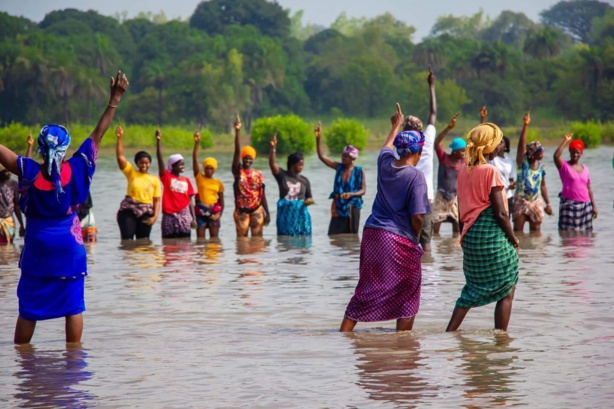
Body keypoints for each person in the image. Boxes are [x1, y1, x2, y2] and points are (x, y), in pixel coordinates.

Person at [0, 70, 129, 343]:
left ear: (41, 151)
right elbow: (99, 133)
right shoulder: (79, 166)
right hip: (69, 246)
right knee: (73, 305)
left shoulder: (29, 171)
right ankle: (73, 360)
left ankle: (23, 363)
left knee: (29, 309)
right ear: (66, 147)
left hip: (38, 246)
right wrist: (115, 98)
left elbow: (5, 154)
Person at [340, 103, 429, 332]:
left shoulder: (385, 163)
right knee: (409, 291)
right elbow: (418, 216)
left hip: (371, 235)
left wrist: (395, 126)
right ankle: (403, 342)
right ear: (417, 152)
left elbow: (386, 146)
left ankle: (345, 333)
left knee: (366, 289)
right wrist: (415, 240)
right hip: (398, 238)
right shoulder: (416, 176)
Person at [446, 122, 519, 332]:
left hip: (470, 238)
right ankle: (501, 339)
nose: (499, 148)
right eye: (497, 144)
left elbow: (461, 210)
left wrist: (463, 237)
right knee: (507, 288)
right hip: (492, 237)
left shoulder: (463, 170)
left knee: (471, 290)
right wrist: (514, 239)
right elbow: (501, 213)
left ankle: (449, 332)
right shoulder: (491, 171)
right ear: (489, 146)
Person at [403, 67, 437, 251]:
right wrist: (431, 86)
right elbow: (433, 114)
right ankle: (429, 274)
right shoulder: (428, 139)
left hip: (405, 199)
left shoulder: (398, 148)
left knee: (408, 242)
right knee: (426, 243)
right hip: (426, 198)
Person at [314, 122, 366, 235]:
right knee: (333, 235)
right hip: (338, 205)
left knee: (351, 236)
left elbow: (363, 190)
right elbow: (321, 157)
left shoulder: (359, 171)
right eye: (343, 156)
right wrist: (318, 139)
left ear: (353, 158)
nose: (343, 158)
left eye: (346, 157)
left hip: (353, 206)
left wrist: (351, 194)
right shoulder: (339, 167)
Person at [115, 126, 161, 240]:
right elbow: (120, 156)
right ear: (137, 163)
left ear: (150, 163)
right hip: (129, 210)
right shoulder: (131, 172)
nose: (144, 165)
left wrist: (155, 216)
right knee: (127, 241)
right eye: (141, 163)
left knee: (144, 241)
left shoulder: (154, 179)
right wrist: (120, 138)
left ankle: (141, 259)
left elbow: (156, 200)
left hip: (146, 211)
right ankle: (130, 258)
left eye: (147, 163)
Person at [513, 112, 553, 232]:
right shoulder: (522, 163)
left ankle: (534, 252)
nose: (542, 154)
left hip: (536, 201)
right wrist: (526, 125)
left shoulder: (541, 167)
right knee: (518, 232)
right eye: (540, 151)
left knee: (536, 234)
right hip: (521, 201)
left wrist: (548, 204)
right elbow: (521, 145)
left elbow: (543, 186)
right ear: (532, 154)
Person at [231, 115, 270, 237]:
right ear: (242, 158)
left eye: (250, 158)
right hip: (242, 210)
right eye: (245, 157)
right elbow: (237, 151)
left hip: (257, 209)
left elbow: (261, 194)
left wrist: (267, 212)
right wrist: (238, 132)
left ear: (253, 159)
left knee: (257, 241)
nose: (248, 160)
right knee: (242, 241)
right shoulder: (238, 170)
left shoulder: (258, 174)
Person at [155, 129, 196, 239]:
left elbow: (190, 201)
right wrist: (158, 141)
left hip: (184, 214)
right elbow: (159, 158)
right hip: (169, 215)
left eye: (183, 164)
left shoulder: (186, 180)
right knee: (168, 245)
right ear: (172, 166)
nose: (183, 167)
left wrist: (194, 219)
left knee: (186, 244)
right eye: (180, 165)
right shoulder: (166, 177)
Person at [269, 134, 313, 236]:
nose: (302, 167)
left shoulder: (305, 181)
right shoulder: (282, 176)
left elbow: (309, 197)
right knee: (285, 240)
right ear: (293, 164)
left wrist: (308, 201)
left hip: (301, 216)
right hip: (285, 216)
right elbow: (272, 164)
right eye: (300, 164)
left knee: (303, 240)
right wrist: (273, 148)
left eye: (303, 165)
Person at [553, 134, 597, 231]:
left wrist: (593, 206)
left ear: (581, 153)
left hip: (585, 206)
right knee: (567, 236)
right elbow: (556, 156)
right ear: (570, 152)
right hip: (569, 205)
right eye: (573, 152)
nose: (575, 155)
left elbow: (589, 188)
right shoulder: (564, 166)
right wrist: (566, 140)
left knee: (586, 237)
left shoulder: (585, 169)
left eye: (577, 152)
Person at [433, 113, 465, 235]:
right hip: (441, 196)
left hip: (455, 198)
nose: (464, 153)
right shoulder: (444, 158)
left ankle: (454, 252)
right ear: (455, 151)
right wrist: (448, 128)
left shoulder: (463, 162)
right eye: (462, 151)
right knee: (435, 231)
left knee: (457, 232)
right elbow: (436, 143)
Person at [481, 106, 517, 215]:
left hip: (507, 195)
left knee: (506, 221)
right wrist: (483, 119)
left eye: (500, 143)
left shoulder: (509, 161)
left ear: (505, 147)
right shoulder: (492, 158)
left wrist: (512, 185)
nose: (497, 144)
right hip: (495, 195)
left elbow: (511, 179)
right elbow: (483, 139)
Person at [193, 131, 224, 239]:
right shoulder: (199, 177)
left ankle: (213, 256)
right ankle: (201, 257)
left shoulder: (218, 183)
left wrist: (219, 214)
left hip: (214, 211)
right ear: (204, 168)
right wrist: (197, 143)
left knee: (214, 241)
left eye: (211, 168)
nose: (209, 170)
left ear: (215, 169)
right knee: (200, 240)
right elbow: (195, 160)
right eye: (207, 168)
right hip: (200, 211)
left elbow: (222, 201)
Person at [0, 162, 25, 244]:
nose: (9, 173)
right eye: (6, 171)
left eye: (9, 171)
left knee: (8, 244)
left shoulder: (13, 184)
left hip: (9, 221)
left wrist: (21, 224)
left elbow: (17, 206)